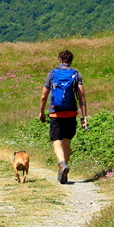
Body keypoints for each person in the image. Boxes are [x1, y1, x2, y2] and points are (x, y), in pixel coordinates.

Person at [38, 49, 88, 184]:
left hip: (55, 112)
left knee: (56, 140)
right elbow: (81, 96)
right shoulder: (76, 74)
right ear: (71, 61)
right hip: (71, 113)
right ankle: (64, 166)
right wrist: (84, 117)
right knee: (66, 141)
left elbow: (44, 96)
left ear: (59, 60)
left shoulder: (53, 74)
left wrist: (41, 112)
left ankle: (61, 164)